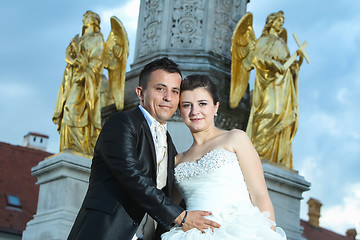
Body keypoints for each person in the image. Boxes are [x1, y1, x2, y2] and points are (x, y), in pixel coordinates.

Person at [67, 58, 220, 240]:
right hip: (105, 232)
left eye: (175, 91)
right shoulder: (121, 123)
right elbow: (132, 176)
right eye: (160, 89)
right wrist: (180, 217)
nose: (168, 98)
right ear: (141, 93)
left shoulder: (169, 143)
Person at [161, 74, 287, 239]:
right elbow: (168, 206)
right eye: (187, 105)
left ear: (216, 107)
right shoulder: (178, 160)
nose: (195, 111)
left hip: (239, 231)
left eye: (202, 104)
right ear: (180, 111)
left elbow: (259, 195)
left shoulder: (235, 138)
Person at [247, 11, 303, 169]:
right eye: (278, 20)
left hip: (284, 86)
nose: (280, 23)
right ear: (270, 22)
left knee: (284, 119)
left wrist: (295, 62)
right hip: (269, 83)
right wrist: (274, 64)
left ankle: (277, 158)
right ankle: (257, 154)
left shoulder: (283, 44)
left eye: (282, 21)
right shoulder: (264, 40)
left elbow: (289, 65)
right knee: (270, 113)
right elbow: (258, 58)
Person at [53, 11, 104, 155]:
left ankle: (80, 145)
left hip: (85, 79)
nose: (83, 19)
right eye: (83, 17)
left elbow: (97, 60)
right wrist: (72, 59)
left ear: (94, 20)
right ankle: (68, 145)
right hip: (72, 77)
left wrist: (86, 72)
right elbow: (69, 55)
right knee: (65, 108)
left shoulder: (97, 38)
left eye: (86, 17)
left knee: (71, 106)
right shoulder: (79, 39)